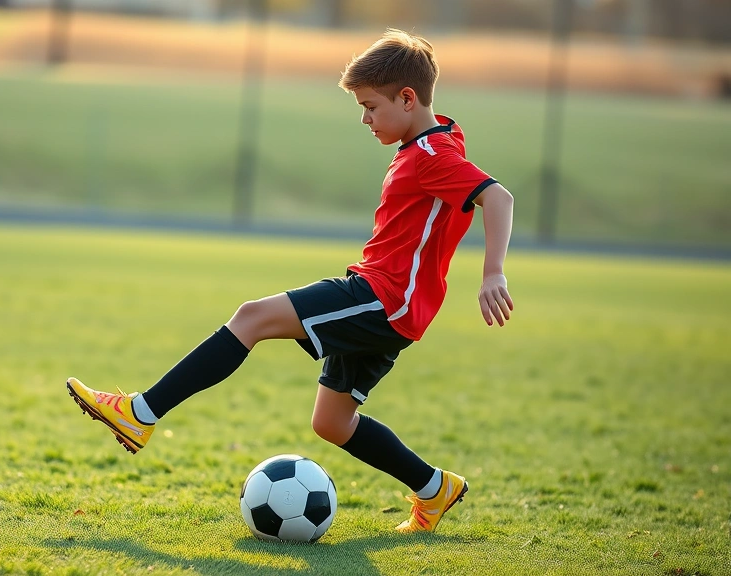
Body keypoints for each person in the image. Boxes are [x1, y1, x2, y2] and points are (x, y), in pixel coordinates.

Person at [66, 28, 514, 534]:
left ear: (407, 99)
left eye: (370, 106)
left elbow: (497, 197)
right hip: (394, 306)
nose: (364, 119)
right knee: (331, 423)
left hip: (383, 298)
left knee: (251, 317)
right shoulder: (437, 138)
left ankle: (140, 413)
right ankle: (435, 489)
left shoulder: (433, 155)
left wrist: (492, 271)